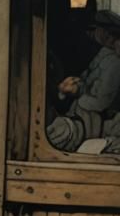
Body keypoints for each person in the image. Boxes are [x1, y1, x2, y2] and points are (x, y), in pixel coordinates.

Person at [48, 10, 120, 152]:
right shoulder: (103, 55)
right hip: (83, 117)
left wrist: (78, 91)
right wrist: (72, 86)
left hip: (93, 123)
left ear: (105, 33)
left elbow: (101, 101)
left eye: (94, 30)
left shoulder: (113, 62)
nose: (91, 35)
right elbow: (86, 80)